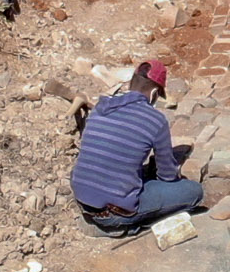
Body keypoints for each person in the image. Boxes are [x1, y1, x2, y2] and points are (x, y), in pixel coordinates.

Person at [69, 60, 203, 234]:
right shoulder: (155, 119)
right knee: (194, 192)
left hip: (82, 198)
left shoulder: (101, 107)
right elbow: (167, 176)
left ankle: (101, 219)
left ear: (130, 83)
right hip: (114, 211)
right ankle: (124, 227)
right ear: (154, 93)